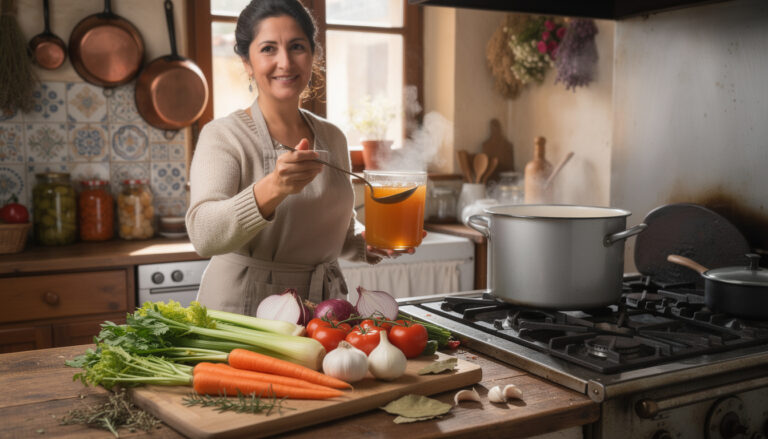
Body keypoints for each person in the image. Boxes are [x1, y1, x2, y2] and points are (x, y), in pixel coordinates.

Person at [186, 0, 413, 315]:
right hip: (243, 312)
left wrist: (368, 242)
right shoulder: (223, 136)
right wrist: (274, 187)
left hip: (324, 310)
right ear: (247, 62)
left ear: (313, 55)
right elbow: (203, 236)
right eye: (268, 48)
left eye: (296, 46)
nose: (285, 62)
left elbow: (338, 230)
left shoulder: (333, 137)